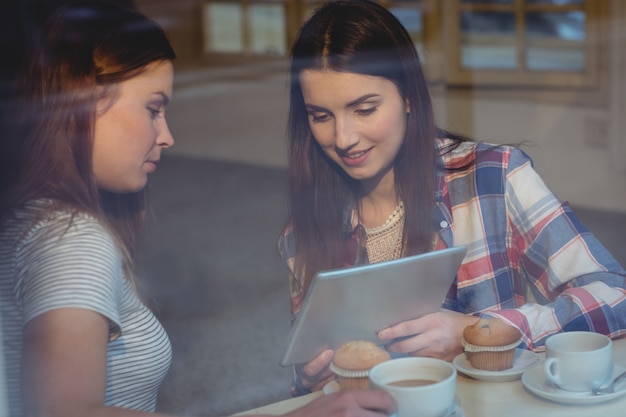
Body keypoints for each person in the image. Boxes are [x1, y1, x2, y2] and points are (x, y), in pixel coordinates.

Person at [0, 2, 396, 416]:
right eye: (153, 109)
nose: (167, 135)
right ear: (82, 103)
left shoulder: (31, 218)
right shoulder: (71, 239)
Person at [278, 0, 626, 395]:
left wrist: (479, 332)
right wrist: (306, 378)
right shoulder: (302, 232)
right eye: (320, 116)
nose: (343, 138)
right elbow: (307, 377)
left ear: (408, 95)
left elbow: (616, 297)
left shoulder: (493, 177)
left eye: (365, 109)